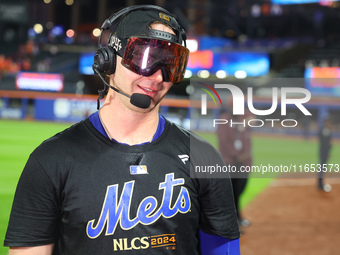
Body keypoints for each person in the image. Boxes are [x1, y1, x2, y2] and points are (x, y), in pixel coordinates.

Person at [4, 5, 240, 255]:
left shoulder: (204, 158)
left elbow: (223, 250)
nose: (158, 77)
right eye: (145, 58)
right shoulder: (50, 160)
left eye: (171, 64)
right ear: (108, 59)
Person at [216, 102, 253, 229]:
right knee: (231, 193)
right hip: (230, 162)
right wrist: (236, 155)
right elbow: (224, 141)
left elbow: (252, 117)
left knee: (239, 190)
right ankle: (232, 221)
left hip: (242, 163)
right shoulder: (224, 120)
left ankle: (237, 217)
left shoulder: (240, 119)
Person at [317, 118, 333, 192]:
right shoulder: (325, 130)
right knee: (322, 167)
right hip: (323, 152)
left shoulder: (326, 130)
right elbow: (325, 143)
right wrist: (327, 152)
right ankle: (320, 184)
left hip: (324, 151)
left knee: (322, 167)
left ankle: (320, 183)